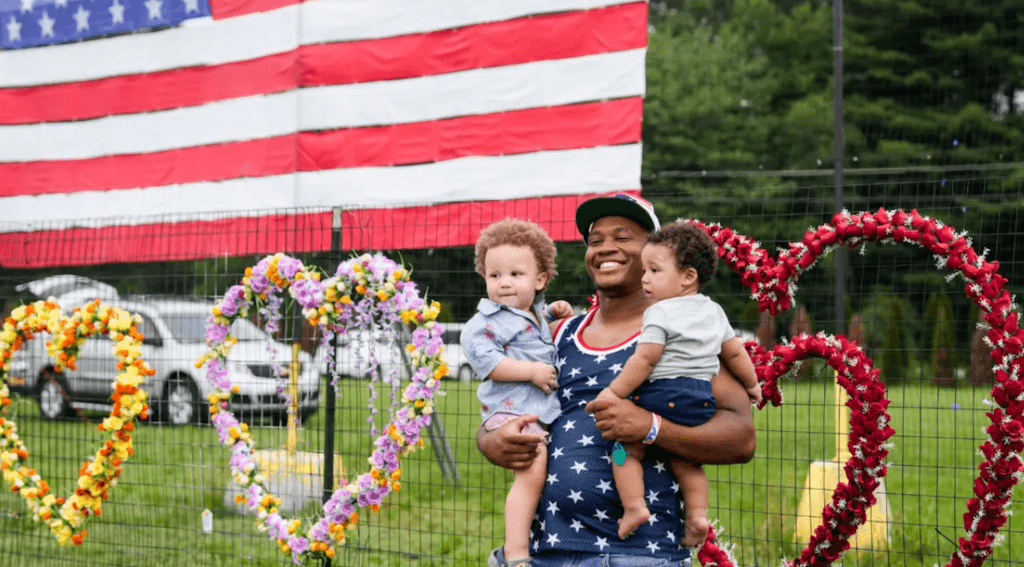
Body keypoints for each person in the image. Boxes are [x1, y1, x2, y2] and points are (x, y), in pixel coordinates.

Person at [478, 193, 756, 567]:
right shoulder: (556, 334)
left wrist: (650, 427)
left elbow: (741, 437)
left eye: (623, 237)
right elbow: (501, 408)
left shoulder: (683, 334)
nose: (606, 248)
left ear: (654, 254)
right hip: (547, 551)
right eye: (596, 241)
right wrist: (492, 440)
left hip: (638, 555)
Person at [593, 220, 762, 545]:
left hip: (660, 395)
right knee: (688, 461)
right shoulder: (713, 310)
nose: (645, 278)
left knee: (623, 451)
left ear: (688, 277)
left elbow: (646, 359)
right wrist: (753, 386)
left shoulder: (659, 313)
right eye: (645, 270)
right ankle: (698, 515)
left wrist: (614, 393)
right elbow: (736, 353)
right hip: (698, 401)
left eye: (654, 271)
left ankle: (634, 507)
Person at [461, 218, 575, 567]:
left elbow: (543, 335)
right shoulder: (487, 321)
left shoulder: (534, 313)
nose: (504, 283)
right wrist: (531, 372)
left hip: (537, 410)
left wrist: (556, 313)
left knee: (541, 474)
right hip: (511, 411)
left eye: (515, 274)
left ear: (539, 280)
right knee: (532, 471)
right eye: (494, 275)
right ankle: (515, 553)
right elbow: (489, 362)